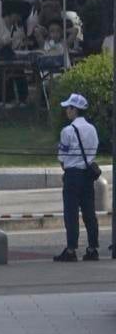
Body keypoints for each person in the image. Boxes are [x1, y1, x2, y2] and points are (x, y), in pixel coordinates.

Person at [59, 88, 103, 263]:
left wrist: (68, 168)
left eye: (68, 107)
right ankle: (92, 249)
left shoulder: (67, 131)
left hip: (72, 176)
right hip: (88, 176)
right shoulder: (92, 129)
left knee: (71, 214)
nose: (66, 110)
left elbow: (62, 158)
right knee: (89, 213)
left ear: (75, 109)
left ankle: (71, 250)